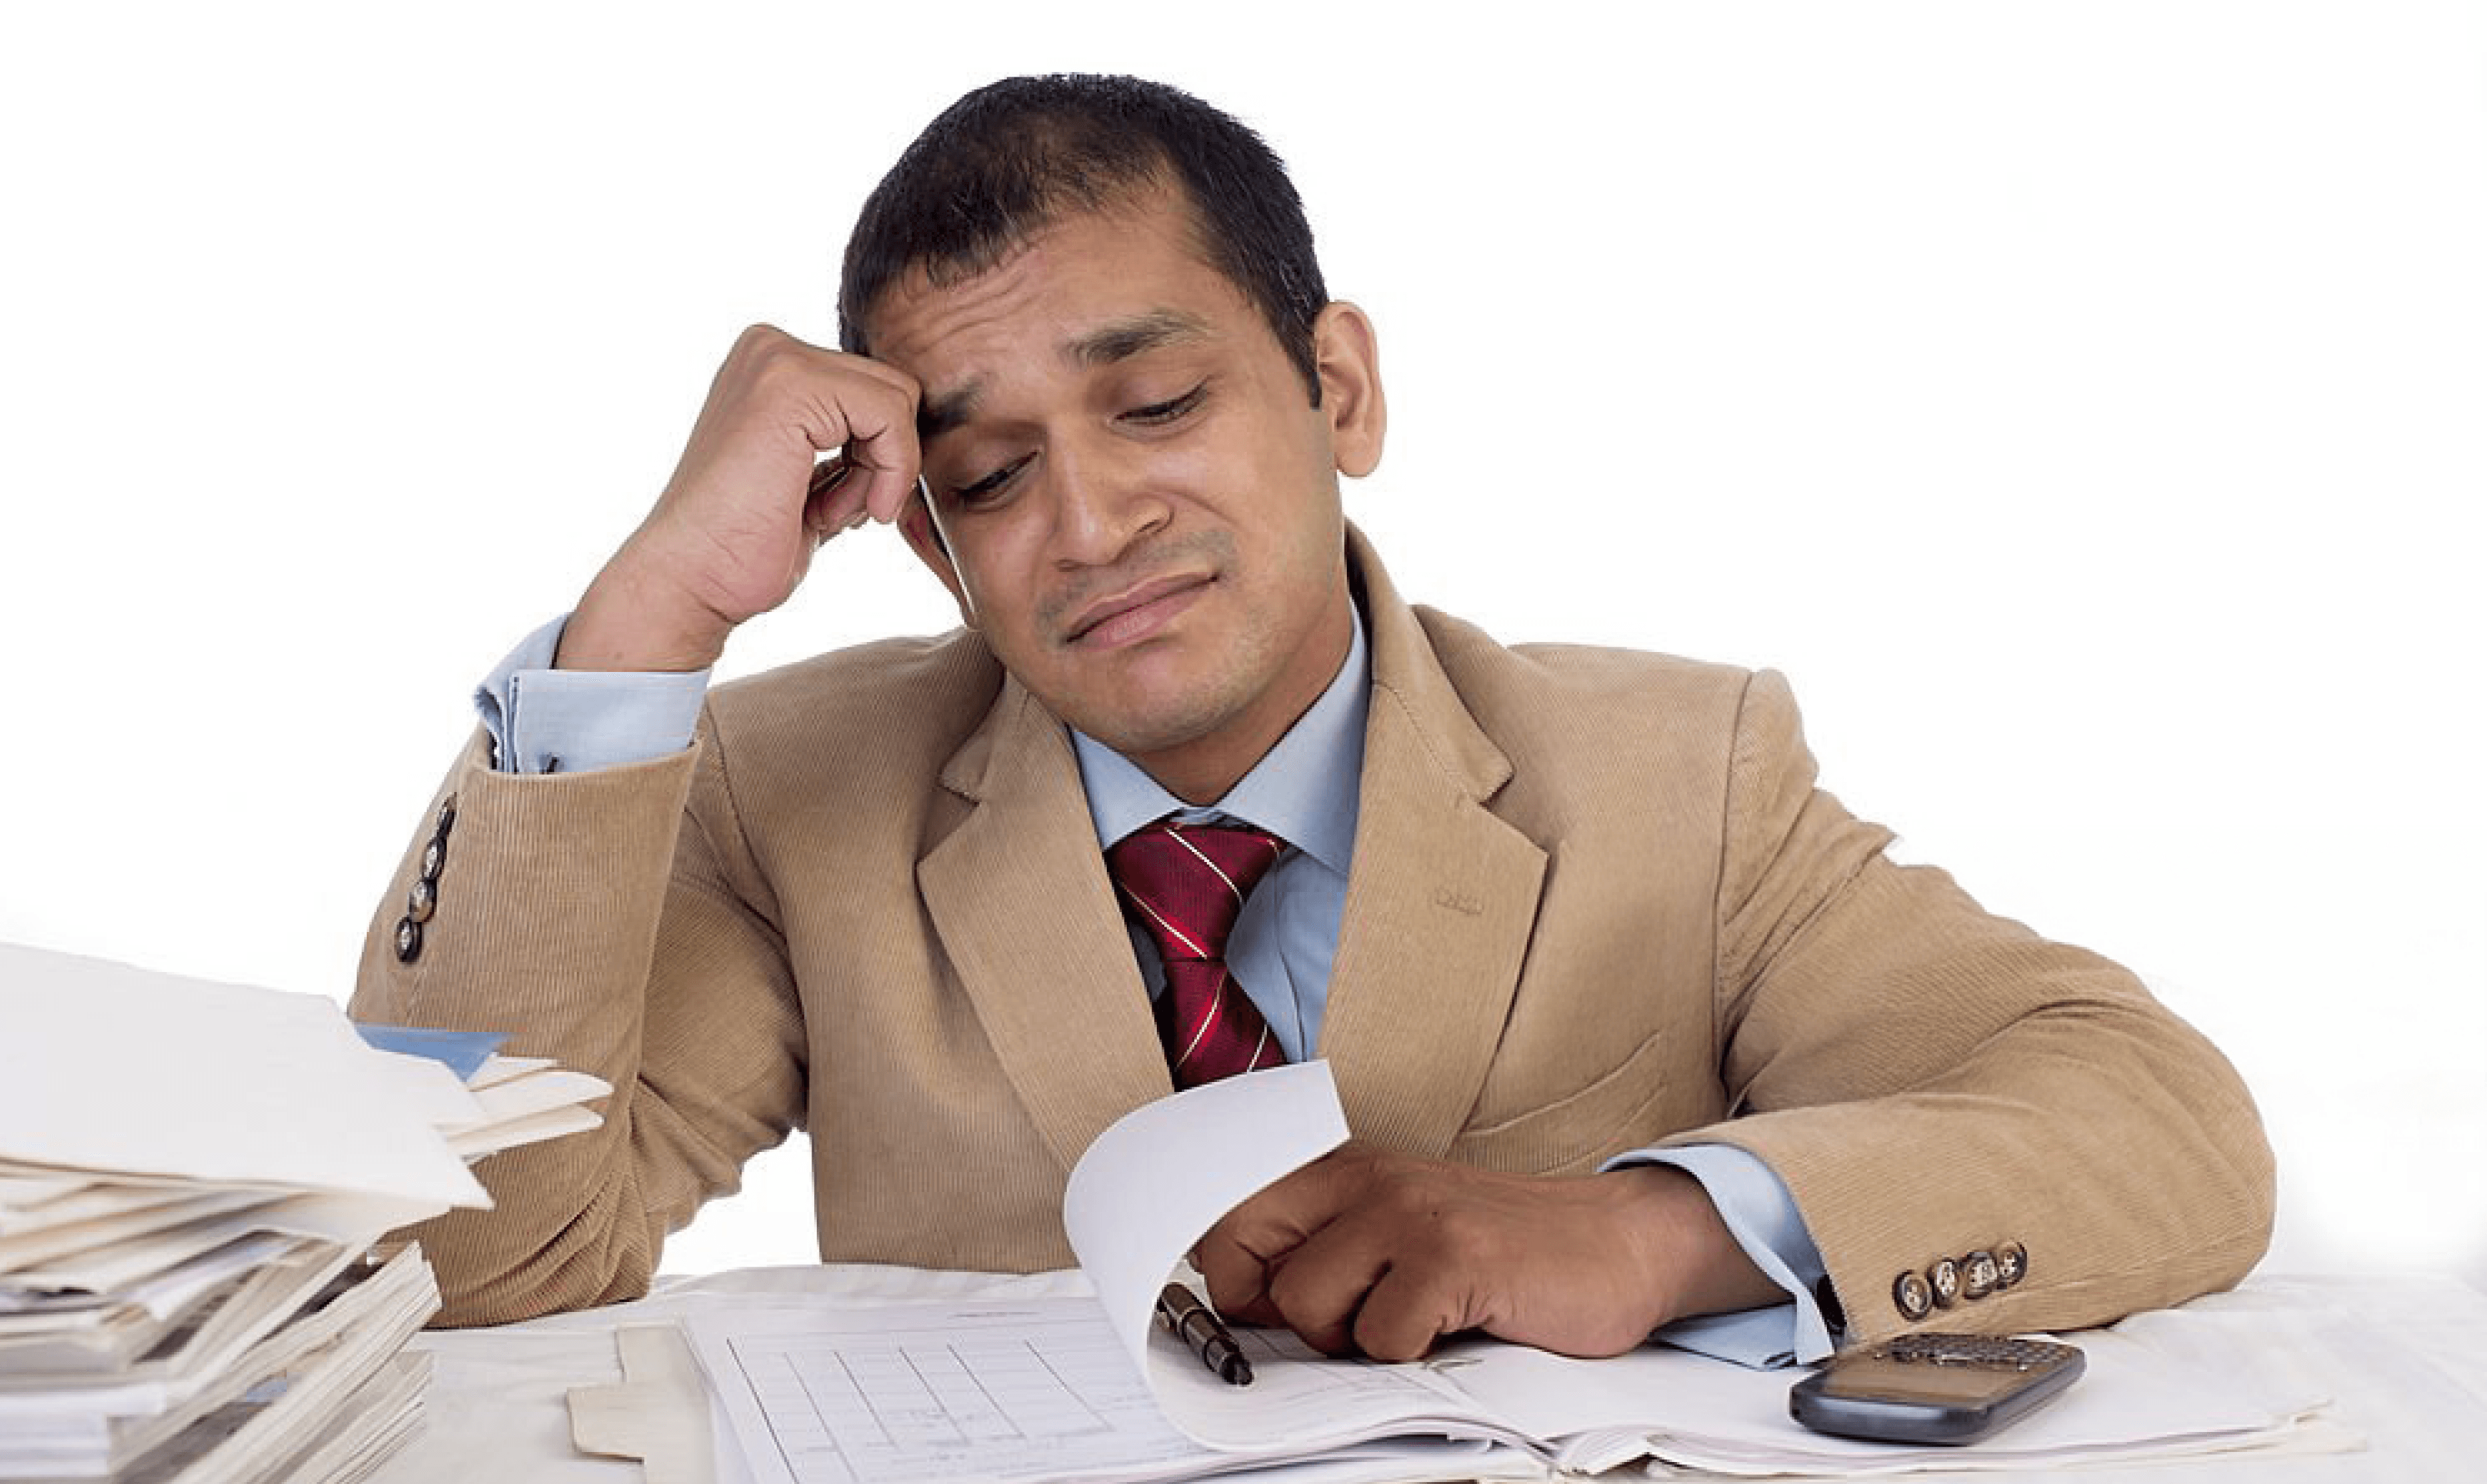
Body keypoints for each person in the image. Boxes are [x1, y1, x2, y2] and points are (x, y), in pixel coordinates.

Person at [350, 73, 2273, 1365]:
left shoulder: (1679, 780)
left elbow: (2160, 1126)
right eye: (994, 475)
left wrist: (1649, 1235)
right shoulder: (797, 795)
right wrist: (649, 618)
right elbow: (464, 1257)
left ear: (1336, 389)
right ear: (931, 550)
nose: (1092, 524)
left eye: (1160, 405)